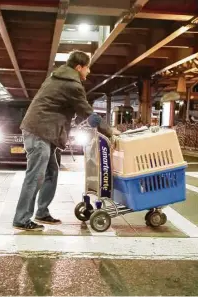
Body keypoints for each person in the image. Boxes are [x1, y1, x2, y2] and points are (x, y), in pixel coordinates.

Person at [13, 51, 120, 231]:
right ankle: (21, 219)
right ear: (79, 67)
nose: (89, 71)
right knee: (35, 176)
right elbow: (86, 111)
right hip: (40, 132)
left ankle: (41, 212)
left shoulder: (57, 77)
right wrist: (109, 131)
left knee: (51, 172)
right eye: (87, 67)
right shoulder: (72, 85)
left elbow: (70, 109)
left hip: (42, 131)